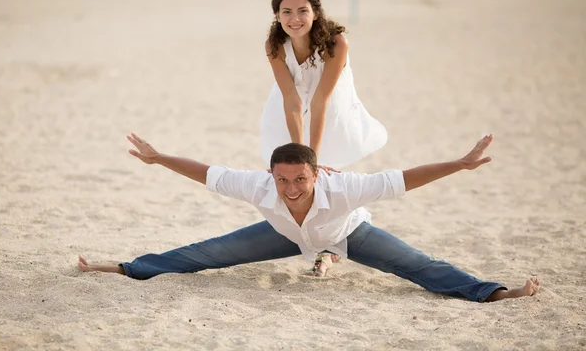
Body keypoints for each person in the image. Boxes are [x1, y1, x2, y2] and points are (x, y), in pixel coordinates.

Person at [78, 133, 541, 303]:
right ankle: (129, 268)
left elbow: (404, 178)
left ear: (316, 173)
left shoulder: (343, 189)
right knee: (206, 254)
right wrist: (159, 159)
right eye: (283, 180)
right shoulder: (259, 185)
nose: (292, 188)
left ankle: (495, 292)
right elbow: (206, 172)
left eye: (300, 179)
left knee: (419, 267)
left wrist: (459, 165)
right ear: (270, 175)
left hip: (348, 233)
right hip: (281, 235)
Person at [261, 0, 388, 275]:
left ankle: (332, 248)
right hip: (287, 108)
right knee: (294, 176)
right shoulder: (274, 45)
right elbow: (291, 100)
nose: (295, 19)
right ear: (277, 16)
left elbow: (321, 102)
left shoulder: (336, 42)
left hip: (333, 107)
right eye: (286, 12)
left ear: (316, 12)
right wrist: (298, 155)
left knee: (328, 174)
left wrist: (311, 160)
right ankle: (321, 246)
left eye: (302, 11)